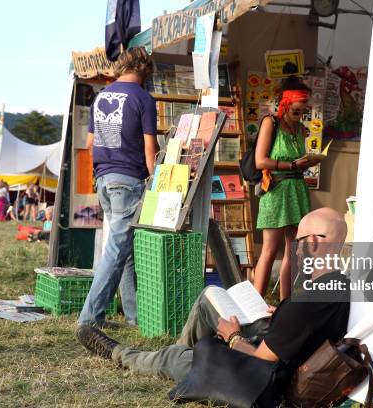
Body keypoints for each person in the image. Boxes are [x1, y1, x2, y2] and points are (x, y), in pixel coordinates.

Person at [75, 208, 350, 390]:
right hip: (285, 350)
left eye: (298, 241)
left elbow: (261, 360)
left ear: (312, 242)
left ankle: (120, 354)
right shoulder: (338, 285)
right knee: (210, 297)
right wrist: (281, 314)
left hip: (262, 379)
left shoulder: (306, 305)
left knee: (176, 358)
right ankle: (184, 354)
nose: (296, 250)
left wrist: (232, 338)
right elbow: (305, 326)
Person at [78, 47, 158, 328]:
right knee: (116, 250)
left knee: (122, 248)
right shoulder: (144, 99)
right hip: (128, 180)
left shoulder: (100, 97)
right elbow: (150, 150)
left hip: (104, 178)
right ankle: (89, 318)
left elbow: (89, 144)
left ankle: (134, 317)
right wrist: (158, 182)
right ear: (143, 68)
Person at [253, 77, 320, 300]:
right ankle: (254, 306)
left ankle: (284, 304)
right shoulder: (270, 123)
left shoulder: (301, 130)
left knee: (294, 252)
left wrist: (308, 162)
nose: (300, 116)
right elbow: (260, 161)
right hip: (276, 190)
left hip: (297, 190)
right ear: (285, 104)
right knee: (270, 250)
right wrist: (291, 164)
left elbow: (297, 160)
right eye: (296, 111)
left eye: (303, 111)